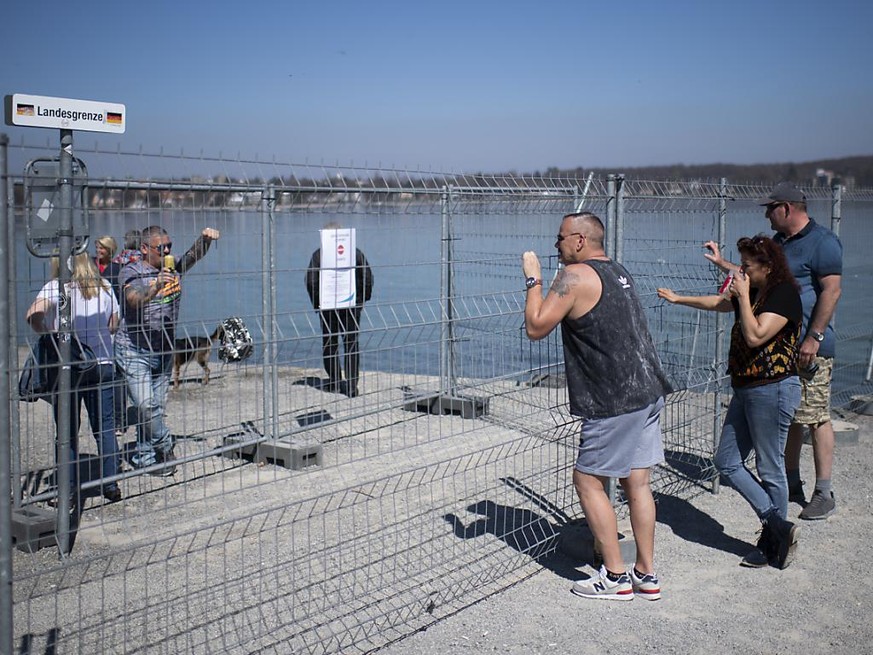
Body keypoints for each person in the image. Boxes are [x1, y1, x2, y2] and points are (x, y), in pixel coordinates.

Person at [522, 211, 670, 601]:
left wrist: (534, 278)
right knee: (637, 482)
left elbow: (536, 326)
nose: (556, 245)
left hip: (614, 397)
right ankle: (646, 574)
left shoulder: (575, 276)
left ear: (580, 240)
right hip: (647, 387)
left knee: (587, 480)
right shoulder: (618, 271)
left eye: (559, 239)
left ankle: (615, 577)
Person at [659, 235, 803, 568]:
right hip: (745, 387)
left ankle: (774, 545)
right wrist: (679, 299)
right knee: (726, 461)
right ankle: (778, 524)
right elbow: (720, 304)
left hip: (773, 387)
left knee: (769, 466)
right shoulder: (754, 288)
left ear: (767, 267)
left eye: (748, 267)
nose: (742, 272)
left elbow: (755, 335)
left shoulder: (783, 295)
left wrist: (741, 297)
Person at [704, 182, 843, 520]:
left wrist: (814, 337)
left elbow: (832, 291)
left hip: (810, 346)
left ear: (786, 208)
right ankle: (790, 482)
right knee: (794, 417)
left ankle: (823, 492)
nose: (766, 214)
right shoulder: (779, 243)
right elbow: (758, 274)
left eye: (770, 208)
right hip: (780, 351)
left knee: (815, 416)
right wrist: (725, 264)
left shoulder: (822, 243)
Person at [115, 224, 220, 474]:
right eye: (161, 248)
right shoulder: (130, 271)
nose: (166, 252)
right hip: (133, 349)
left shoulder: (172, 269)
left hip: (163, 350)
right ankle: (164, 444)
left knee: (155, 408)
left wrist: (204, 239)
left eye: (169, 247)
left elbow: (192, 257)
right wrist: (155, 287)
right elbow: (132, 298)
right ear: (144, 248)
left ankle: (145, 458)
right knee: (145, 405)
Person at [26, 253, 122, 503]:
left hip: (69, 366)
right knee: (105, 427)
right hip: (101, 363)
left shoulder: (56, 287)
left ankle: (66, 489)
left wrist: (50, 332)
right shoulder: (105, 286)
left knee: (67, 431)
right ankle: (110, 484)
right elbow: (114, 324)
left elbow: (33, 316)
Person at [305, 223, 373, 398]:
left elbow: (311, 281)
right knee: (351, 343)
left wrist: (318, 303)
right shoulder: (355, 253)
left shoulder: (318, 256)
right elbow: (367, 276)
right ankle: (351, 386)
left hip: (328, 307)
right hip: (351, 306)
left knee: (330, 342)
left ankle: (334, 382)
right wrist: (361, 300)